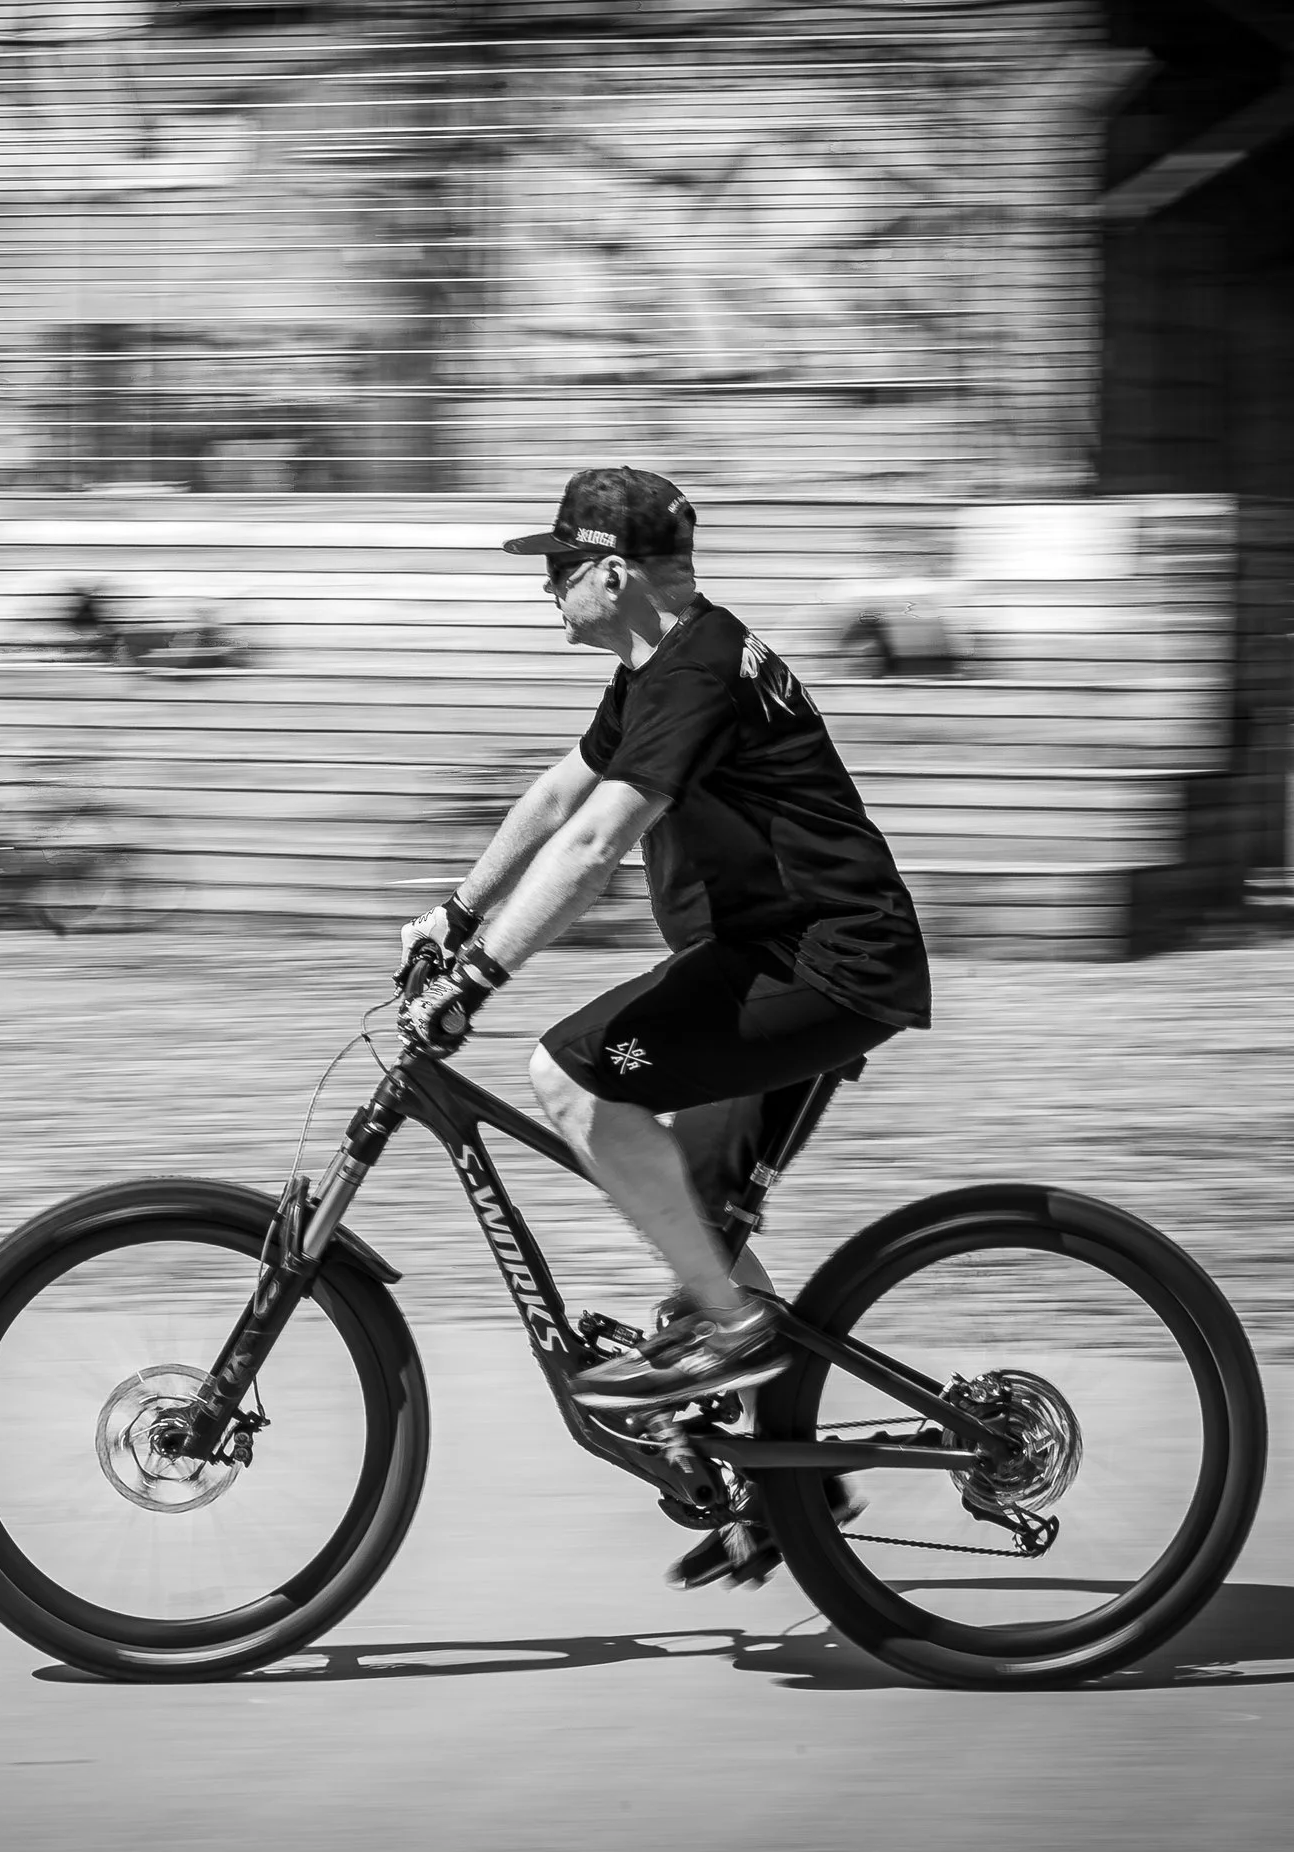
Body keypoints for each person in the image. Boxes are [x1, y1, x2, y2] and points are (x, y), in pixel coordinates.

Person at [396, 466, 933, 1588]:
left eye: (555, 566)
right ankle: (785, 1478)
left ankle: (731, 1330)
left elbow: (594, 849)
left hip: (816, 965)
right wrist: (457, 910)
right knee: (693, 1218)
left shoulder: (692, 671)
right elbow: (559, 798)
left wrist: (479, 979)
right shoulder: (663, 662)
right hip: (782, 959)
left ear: (611, 570)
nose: (544, 588)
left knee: (571, 1075)